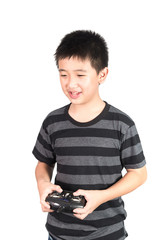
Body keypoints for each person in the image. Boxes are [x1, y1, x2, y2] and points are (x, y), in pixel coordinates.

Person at [32, 30, 147, 240]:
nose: (70, 84)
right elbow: (43, 164)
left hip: (108, 233)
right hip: (59, 233)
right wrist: (43, 184)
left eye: (80, 75)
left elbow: (139, 174)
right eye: (63, 74)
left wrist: (101, 197)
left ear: (102, 74)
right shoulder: (53, 122)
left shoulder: (122, 124)